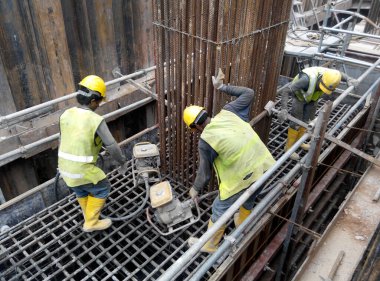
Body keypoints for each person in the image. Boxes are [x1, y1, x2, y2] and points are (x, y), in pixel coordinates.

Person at [183, 69, 276, 253]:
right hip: (265, 166)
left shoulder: (206, 140)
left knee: (219, 208)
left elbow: (205, 173)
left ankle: (210, 245)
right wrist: (222, 87)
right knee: (251, 196)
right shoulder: (228, 111)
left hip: (242, 177)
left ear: (196, 127)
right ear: (205, 113)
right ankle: (243, 226)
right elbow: (249, 92)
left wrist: (194, 189)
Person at [58, 75, 128, 232]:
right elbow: (112, 146)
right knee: (102, 188)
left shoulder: (66, 114)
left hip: (64, 169)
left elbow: (62, 141)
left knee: (81, 189)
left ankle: (87, 213)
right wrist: (122, 162)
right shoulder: (95, 119)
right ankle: (91, 222)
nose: (99, 104)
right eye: (99, 101)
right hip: (81, 170)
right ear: (92, 101)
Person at [279, 66, 358, 160]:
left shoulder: (331, 75)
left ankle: (300, 142)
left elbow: (340, 74)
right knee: (296, 122)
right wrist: (284, 108)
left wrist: (349, 78)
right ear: (321, 80)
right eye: (322, 88)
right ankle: (288, 148)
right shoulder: (306, 80)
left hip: (312, 98)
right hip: (299, 97)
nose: (322, 90)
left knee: (306, 121)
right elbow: (286, 90)